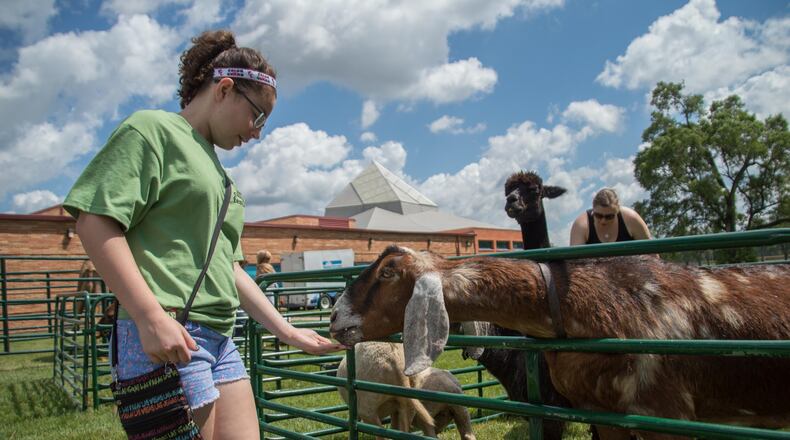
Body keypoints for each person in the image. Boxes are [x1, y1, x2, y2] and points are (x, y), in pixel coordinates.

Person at [63, 30, 344, 439]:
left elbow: (228, 267)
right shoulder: (151, 130)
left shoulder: (224, 180)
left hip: (219, 338)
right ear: (225, 89)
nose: (256, 134)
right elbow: (94, 221)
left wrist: (286, 330)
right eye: (258, 116)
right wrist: (149, 316)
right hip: (170, 331)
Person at [570, 188, 651, 245]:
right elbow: (574, 264)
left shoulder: (632, 219)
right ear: (593, 209)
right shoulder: (581, 225)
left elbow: (652, 254)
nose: (603, 221)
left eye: (609, 217)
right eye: (598, 215)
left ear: (617, 211)